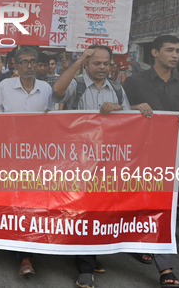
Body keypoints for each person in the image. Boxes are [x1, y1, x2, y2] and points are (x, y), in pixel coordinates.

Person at [123, 35, 179, 287]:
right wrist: (135, 108)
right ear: (155, 53)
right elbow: (120, 112)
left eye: (178, 51)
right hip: (138, 153)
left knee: (162, 205)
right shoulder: (134, 82)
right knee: (137, 201)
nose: (175, 55)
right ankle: (137, 243)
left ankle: (164, 266)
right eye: (170, 50)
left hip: (168, 154)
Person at [52, 45, 130, 288]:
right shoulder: (78, 85)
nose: (103, 67)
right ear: (87, 64)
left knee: (98, 209)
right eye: (97, 63)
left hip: (107, 160)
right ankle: (85, 266)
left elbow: (130, 120)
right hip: (79, 160)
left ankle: (89, 254)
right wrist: (78, 61)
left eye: (106, 63)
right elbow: (57, 92)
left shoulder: (117, 89)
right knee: (83, 209)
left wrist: (120, 109)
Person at [0, 46, 52, 276]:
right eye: (24, 62)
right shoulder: (5, 86)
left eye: (33, 62)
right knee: (18, 204)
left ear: (38, 65)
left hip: (39, 156)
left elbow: (52, 120)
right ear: (15, 65)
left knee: (35, 204)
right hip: (12, 155)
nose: (29, 66)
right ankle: (23, 256)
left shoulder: (46, 88)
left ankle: (30, 247)